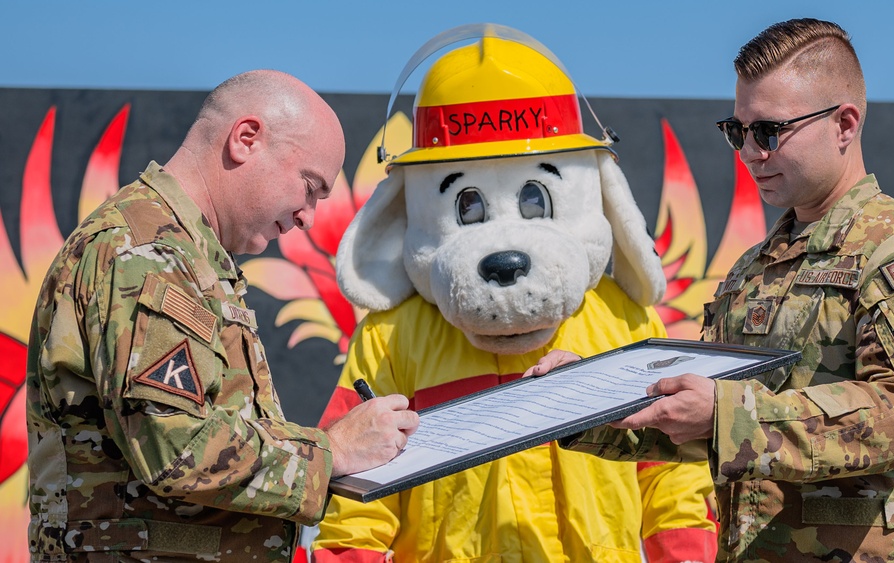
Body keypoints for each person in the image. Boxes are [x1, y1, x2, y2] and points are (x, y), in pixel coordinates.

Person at [530, 18, 894, 562]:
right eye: (737, 131)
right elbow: (699, 429)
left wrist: (726, 414)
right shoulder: (752, 271)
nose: (748, 152)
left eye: (768, 131)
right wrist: (581, 405)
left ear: (845, 124)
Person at [311, 30, 719, 562]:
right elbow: (353, 503)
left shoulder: (626, 323)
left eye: (535, 198)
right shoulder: (391, 338)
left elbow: (673, 483)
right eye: (468, 207)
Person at [25, 70, 419, 562]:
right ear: (246, 139)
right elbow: (178, 447)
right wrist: (332, 453)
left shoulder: (187, 258)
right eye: (310, 185)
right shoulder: (145, 254)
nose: (309, 217)